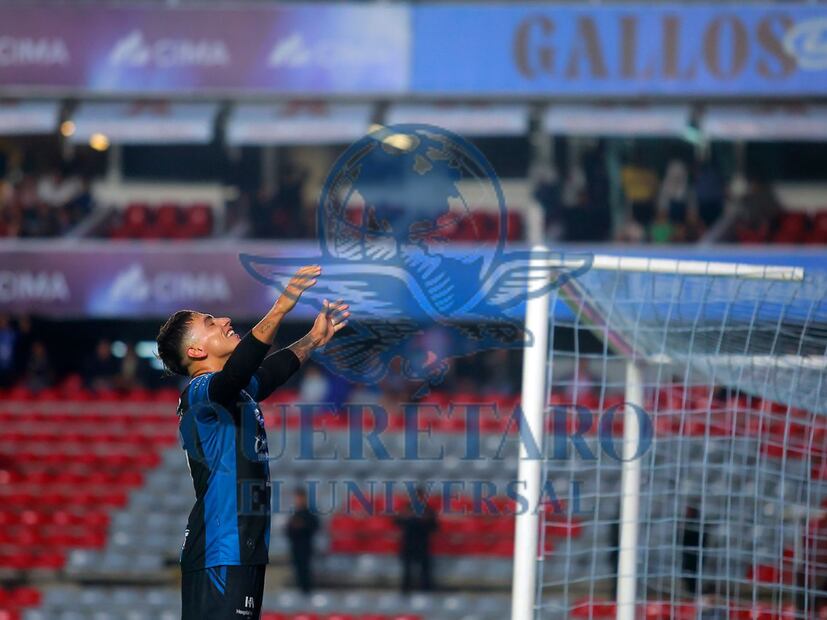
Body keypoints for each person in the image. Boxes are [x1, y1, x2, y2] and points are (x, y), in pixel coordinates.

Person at [155, 265, 348, 620]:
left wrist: (312, 340)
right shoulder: (199, 393)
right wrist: (281, 307)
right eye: (210, 322)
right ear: (196, 351)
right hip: (220, 550)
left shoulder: (233, 393)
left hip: (243, 550)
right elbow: (239, 372)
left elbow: (268, 374)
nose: (224, 320)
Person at [394, 486, 438, 594]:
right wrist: (408, 518)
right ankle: (406, 591)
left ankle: (426, 592)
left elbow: (435, 527)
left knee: (425, 571)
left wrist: (424, 520)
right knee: (407, 571)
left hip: (423, 544)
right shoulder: (406, 510)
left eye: (420, 496)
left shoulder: (428, 510)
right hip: (408, 543)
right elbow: (396, 522)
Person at [284, 487, 320, 594]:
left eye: (300, 497)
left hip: (305, 547)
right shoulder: (294, 514)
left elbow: (314, 527)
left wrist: (301, 526)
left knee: (305, 572)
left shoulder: (310, 513)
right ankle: (301, 593)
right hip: (295, 547)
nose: (298, 500)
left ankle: (306, 593)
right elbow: (288, 531)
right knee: (298, 572)